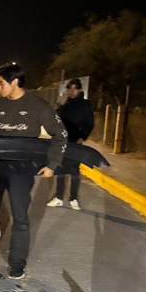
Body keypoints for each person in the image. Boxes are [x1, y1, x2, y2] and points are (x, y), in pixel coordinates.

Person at [0, 62, 67, 279]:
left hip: (21, 169)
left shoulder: (38, 106)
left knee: (20, 217)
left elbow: (60, 135)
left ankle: (17, 263)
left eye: (1, 83)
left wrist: (52, 165)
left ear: (15, 81)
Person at [47, 78, 94, 211]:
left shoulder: (86, 104)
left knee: (74, 170)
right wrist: (60, 106)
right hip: (63, 140)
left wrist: (82, 137)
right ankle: (59, 198)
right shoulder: (65, 104)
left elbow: (90, 123)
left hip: (76, 140)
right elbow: (57, 120)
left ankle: (73, 198)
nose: (72, 91)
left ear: (79, 90)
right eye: (69, 89)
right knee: (60, 168)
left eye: (74, 88)